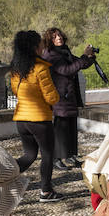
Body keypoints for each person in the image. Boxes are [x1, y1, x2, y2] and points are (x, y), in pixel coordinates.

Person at [9, 30, 62, 202]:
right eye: (40, 44)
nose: (42, 47)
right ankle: (46, 191)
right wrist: (58, 94)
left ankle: (3, 178)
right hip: (39, 119)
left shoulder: (16, 70)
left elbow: (16, 92)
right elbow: (51, 98)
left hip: (21, 120)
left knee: (29, 155)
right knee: (47, 155)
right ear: (34, 47)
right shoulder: (41, 68)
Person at [41, 27, 95, 169]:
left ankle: (70, 156)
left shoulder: (64, 51)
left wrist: (90, 57)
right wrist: (84, 57)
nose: (58, 38)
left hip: (69, 95)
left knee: (71, 127)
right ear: (49, 41)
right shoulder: (50, 55)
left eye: (59, 35)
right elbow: (67, 70)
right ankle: (56, 158)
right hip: (60, 97)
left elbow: (80, 64)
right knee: (60, 129)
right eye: (54, 37)